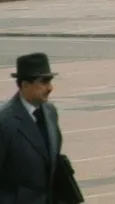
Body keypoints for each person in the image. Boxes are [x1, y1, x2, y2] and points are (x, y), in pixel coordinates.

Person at [0, 53, 65, 204]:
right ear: (25, 85)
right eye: (43, 82)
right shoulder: (5, 123)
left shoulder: (50, 113)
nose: (50, 88)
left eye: (50, 81)